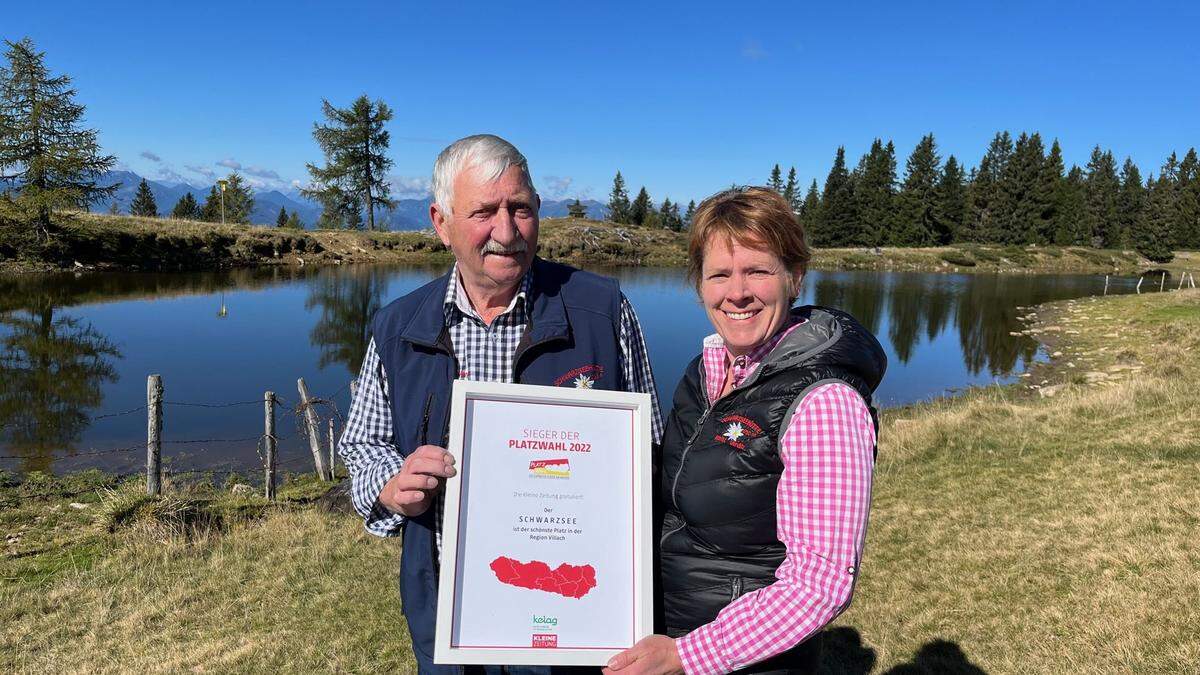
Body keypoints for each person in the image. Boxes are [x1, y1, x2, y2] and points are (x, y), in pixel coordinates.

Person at [339, 134, 663, 675]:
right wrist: (392, 488)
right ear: (441, 223)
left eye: (521, 209)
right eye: (484, 212)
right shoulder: (398, 327)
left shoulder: (603, 310)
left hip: (578, 614)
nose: (507, 232)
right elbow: (363, 447)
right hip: (449, 608)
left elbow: (649, 449)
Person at [605, 187, 886, 675]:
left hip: (745, 663)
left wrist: (687, 655)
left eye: (757, 270)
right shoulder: (707, 371)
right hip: (670, 633)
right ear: (700, 285)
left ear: (794, 277)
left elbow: (819, 585)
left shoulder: (824, 401)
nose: (737, 292)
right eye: (719, 274)